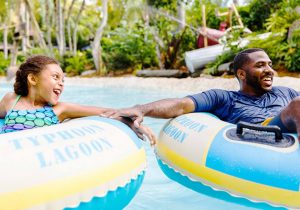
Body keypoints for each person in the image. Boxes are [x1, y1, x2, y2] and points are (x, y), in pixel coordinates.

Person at [103, 48, 300, 142]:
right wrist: (141, 108)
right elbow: (181, 104)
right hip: (263, 132)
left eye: (270, 65)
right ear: (241, 74)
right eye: (260, 66)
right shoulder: (224, 98)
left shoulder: (286, 92)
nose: (269, 70)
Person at [0, 55, 155, 145]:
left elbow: (105, 112)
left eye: (63, 80)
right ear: (33, 79)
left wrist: (132, 122)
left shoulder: (60, 109)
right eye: (56, 77)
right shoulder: (11, 100)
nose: (61, 83)